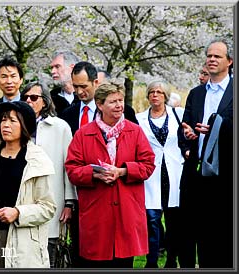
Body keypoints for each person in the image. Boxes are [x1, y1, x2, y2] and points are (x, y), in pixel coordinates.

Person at [64, 80, 155, 268]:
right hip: (97, 216)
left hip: (126, 214)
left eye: (121, 100)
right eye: (113, 101)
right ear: (100, 104)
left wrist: (123, 171)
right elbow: (72, 170)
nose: (119, 105)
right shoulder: (83, 134)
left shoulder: (135, 131)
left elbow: (148, 165)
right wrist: (94, 174)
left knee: (123, 264)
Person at [0, 101, 56, 268]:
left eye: (13, 121)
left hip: (23, 243)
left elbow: (48, 207)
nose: (6, 125)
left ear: (25, 126)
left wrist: (18, 213)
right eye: (3, 120)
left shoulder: (37, 160)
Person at [178, 38, 233, 268]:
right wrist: (189, 141)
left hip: (226, 176)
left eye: (217, 56)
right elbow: (184, 128)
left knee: (223, 238)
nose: (211, 59)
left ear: (229, 61)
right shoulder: (196, 93)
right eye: (209, 55)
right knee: (193, 236)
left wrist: (217, 132)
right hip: (195, 176)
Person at [21, 82, 76, 267]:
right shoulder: (15, 126)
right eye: (25, 98)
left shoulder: (60, 127)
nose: (29, 101)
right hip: (22, 199)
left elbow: (68, 167)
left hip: (53, 197)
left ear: (44, 102)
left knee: (50, 252)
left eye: (34, 98)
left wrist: (69, 202)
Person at [136, 80, 184, 268]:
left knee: (173, 221)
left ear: (165, 96)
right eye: (152, 92)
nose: (155, 95)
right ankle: (152, 262)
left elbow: (187, 137)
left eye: (159, 92)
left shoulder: (177, 115)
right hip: (151, 174)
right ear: (148, 96)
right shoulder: (139, 118)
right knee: (152, 220)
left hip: (173, 172)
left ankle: (172, 260)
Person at [49, 50, 80, 115]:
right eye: (52, 67)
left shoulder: (87, 96)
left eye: (57, 67)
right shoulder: (50, 98)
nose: (52, 71)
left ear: (72, 68)